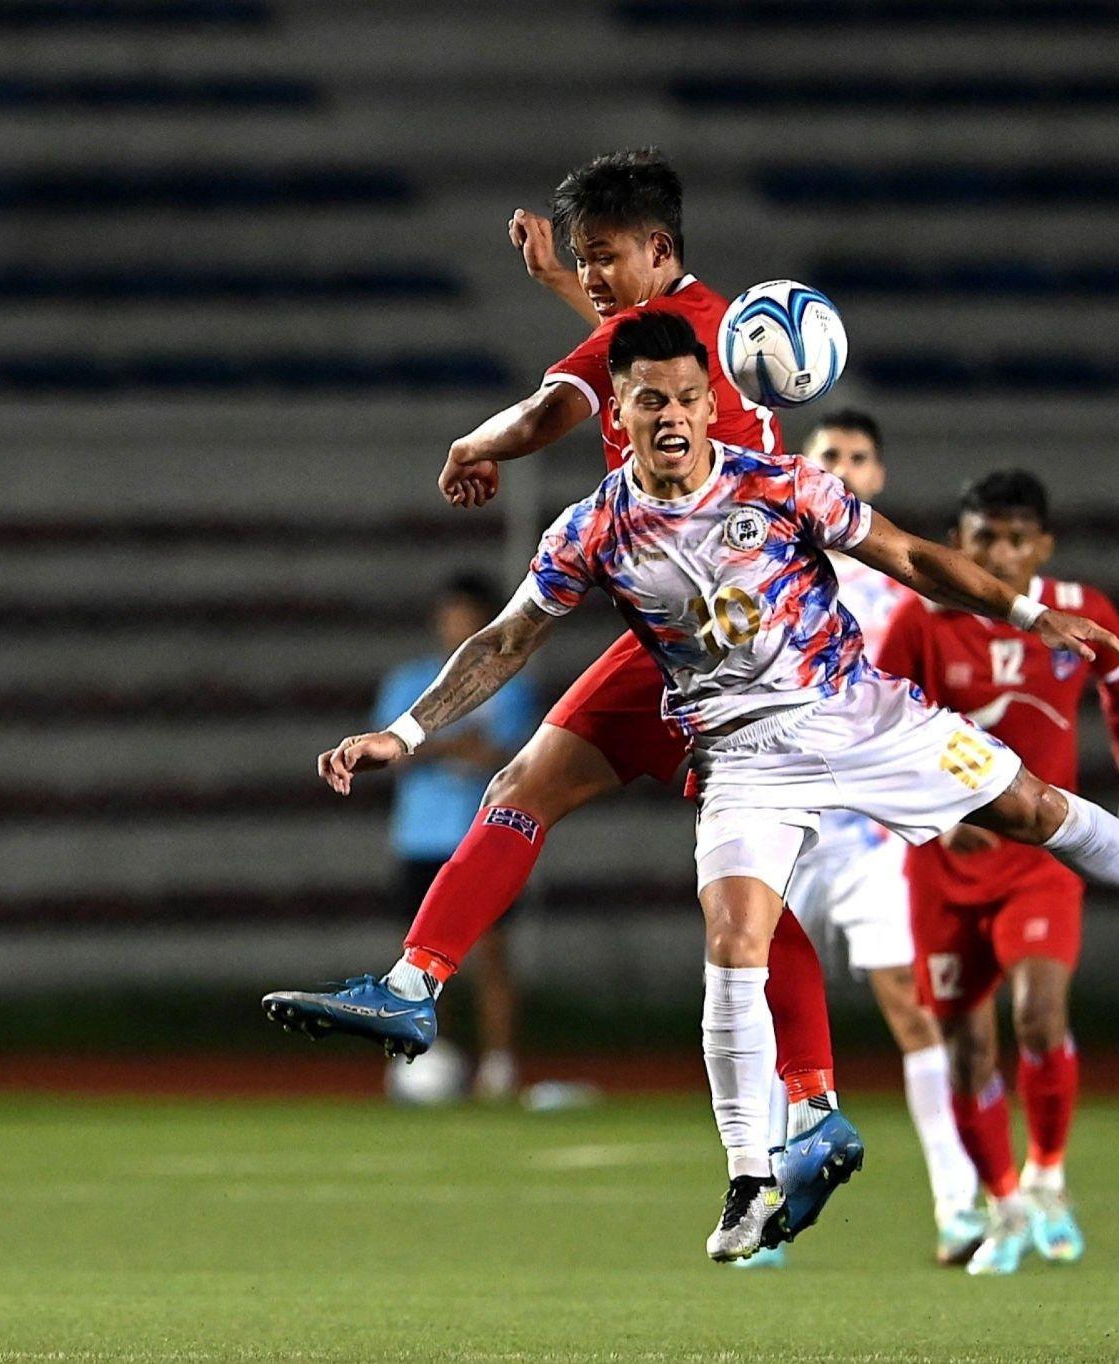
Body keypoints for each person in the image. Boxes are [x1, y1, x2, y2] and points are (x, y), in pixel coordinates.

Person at [277, 313, 1119, 1261]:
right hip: (745, 760)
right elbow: (507, 638)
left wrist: (1028, 615)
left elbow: (908, 553)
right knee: (732, 940)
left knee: (1034, 809)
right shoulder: (593, 530)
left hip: (861, 715)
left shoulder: (776, 483)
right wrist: (403, 730)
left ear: (707, 403)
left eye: (687, 397)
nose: (672, 415)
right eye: (650, 399)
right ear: (625, 412)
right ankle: (746, 1179)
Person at [267, 149, 851, 1197]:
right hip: (734, 629)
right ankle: (810, 1099)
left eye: (603, 259)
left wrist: (468, 443)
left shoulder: (641, 339)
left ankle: (415, 985)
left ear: (659, 250)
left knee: (679, 860)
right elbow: (622, 337)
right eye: (581, 263)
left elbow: (548, 413)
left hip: (718, 647)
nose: (590, 279)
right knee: (677, 860)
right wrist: (562, 283)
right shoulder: (703, 328)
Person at [873, 468, 1119, 1275]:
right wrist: (939, 813)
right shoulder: (918, 622)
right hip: (944, 868)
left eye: (1016, 537)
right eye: (985, 537)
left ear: (1044, 544)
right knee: (967, 1049)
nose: (1001, 550)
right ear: (957, 544)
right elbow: (876, 727)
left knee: (1039, 1013)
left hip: (1039, 857)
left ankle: (1049, 1179)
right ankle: (1002, 1204)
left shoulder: (1081, 612)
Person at [741, 411, 985, 1271]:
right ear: (805, 473)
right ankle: (766, 1213)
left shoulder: (898, 590)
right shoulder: (765, 564)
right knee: (769, 1021)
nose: (843, 466)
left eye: (857, 457)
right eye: (828, 456)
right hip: (781, 832)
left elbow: (920, 700)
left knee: (910, 1012)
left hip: (869, 835)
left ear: (874, 479)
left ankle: (959, 1206)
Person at [373, 573, 539, 1100]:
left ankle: (497, 1066)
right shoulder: (407, 682)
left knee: (490, 957)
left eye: (468, 618)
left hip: (484, 840)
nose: (457, 626)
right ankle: (424, 1065)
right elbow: (391, 755)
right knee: (419, 960)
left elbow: (517, 758)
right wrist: (456, 748)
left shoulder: (512, 685)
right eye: (451, 616)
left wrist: (436, 748)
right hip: (420, 838)